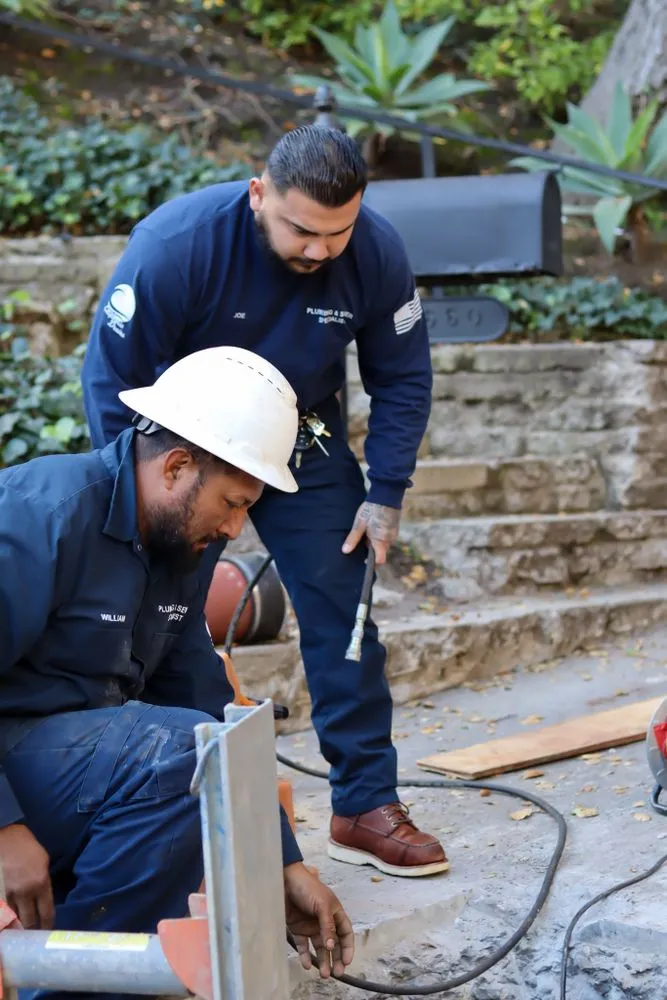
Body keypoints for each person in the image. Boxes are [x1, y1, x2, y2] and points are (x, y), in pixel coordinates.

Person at [82, 124, 448, 878]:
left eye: (336, 233)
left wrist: (385, 490)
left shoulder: (376, 252)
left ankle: (364, 803)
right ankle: (175, 799)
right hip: (188, 442)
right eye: (301, 230)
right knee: (163, 609)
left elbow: (403, 375)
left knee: (344, 606)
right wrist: (136, 499)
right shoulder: (176, 245)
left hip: (303, 433)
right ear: (259, 195)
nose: (320, 250)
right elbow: (111, 376)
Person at [0, 346, 354, 1000]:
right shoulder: (41, 514)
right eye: (232, 503)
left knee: (191, 746)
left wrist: (282, 862)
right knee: (170, 753)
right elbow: (178, 745)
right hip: (14, 774)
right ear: (177, 467)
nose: (236, 527)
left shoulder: (176, 546)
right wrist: (6, 830)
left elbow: (210, 711)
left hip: (63, 773)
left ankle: (78, 981)